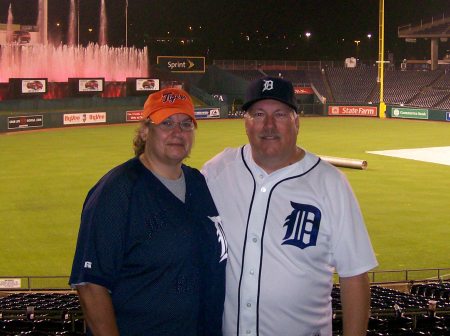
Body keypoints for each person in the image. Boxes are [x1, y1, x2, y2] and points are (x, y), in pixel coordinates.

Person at [202, 77, 378, 336]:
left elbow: (354, 277)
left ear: (297, 121)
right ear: (245, 122)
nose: (269, 125)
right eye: (258, 114)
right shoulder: (218, 170)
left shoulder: (330, 183)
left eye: (280, 114)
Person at [70, 87, 227, 336]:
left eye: (187, 124)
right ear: (145, 130)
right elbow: (91, 285)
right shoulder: (118, 190)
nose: (178, 132)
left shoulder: (197, 182)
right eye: (166, 123)